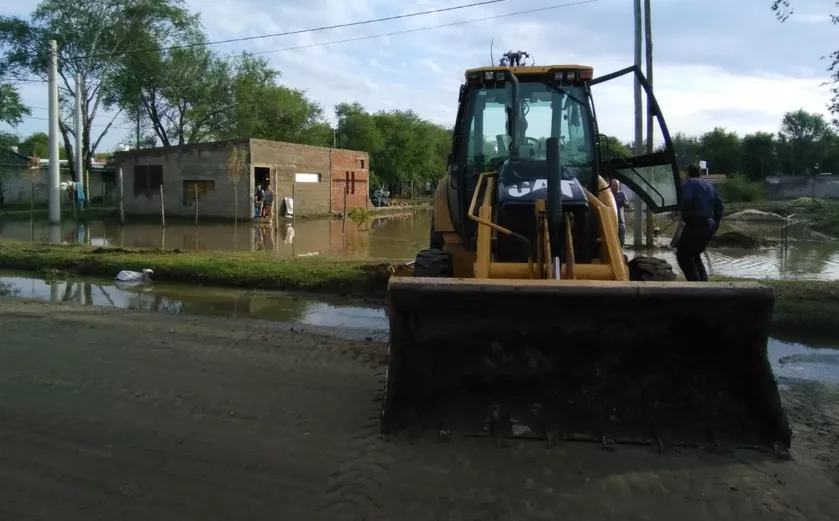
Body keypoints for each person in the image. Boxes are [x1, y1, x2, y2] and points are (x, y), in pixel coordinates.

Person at [676, 164, 724, 281]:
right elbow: (720, 207)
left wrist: (680, 211)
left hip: (696, 223)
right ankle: (704, 284)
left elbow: (687, 199)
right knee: (695, 254)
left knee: (683, 256)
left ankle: (695, 287)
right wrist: (714, 225)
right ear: (700, 173)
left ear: (688, 173)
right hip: (709, 224)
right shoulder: (710, 185)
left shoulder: (688, 183)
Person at [610, 179, 630, 246]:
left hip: (620, 221)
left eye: (616, 185)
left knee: (621, 241)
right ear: (610, 186)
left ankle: (620, 253)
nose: (614, 187)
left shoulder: (621, 194)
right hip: (610, 221)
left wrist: (624, 203)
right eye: (613, 185)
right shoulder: (608, 195)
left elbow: (628, 205)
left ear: (618, 186)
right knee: (612, 241)